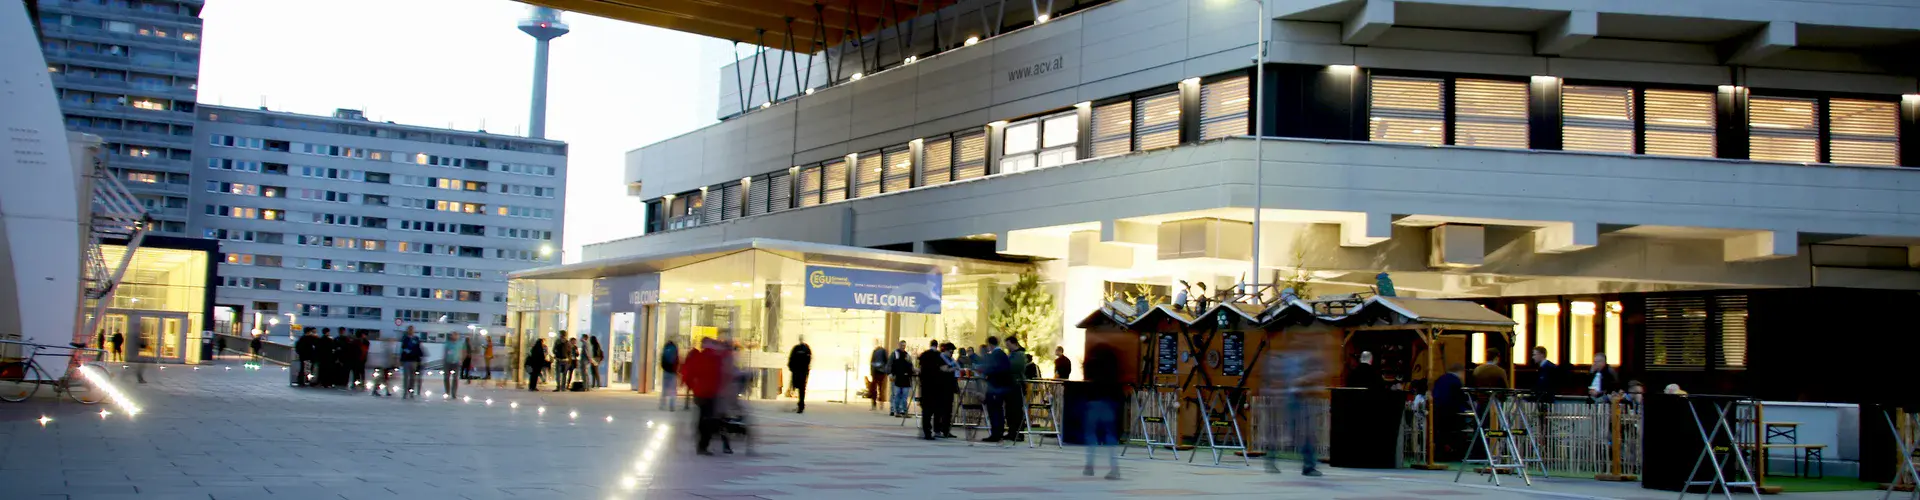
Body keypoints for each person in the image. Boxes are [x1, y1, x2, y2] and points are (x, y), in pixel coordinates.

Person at [1264, 330, 1330, 476]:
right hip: (1290, 399)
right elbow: (1288, 381)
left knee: (1304, 433)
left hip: (1300, 399)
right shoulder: (1288, 360)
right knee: (1293, 432)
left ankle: (1307, 465)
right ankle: (1275, 460)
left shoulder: (1303, 359)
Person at [1081, 344, 1124, 479]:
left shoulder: (1092, 362)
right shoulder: (1113, 364)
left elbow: (1087, 378)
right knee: (1110, 435)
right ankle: (1114, 468)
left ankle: (1089, 466)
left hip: (1095, 400)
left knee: (1091, 434)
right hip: (1110, 401)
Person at [684, 339, 731, 455]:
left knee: (703, 416)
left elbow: (688, 373)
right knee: (711, 418)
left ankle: (701, 442)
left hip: (700, 392)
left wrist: (692, 387)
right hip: (712, 393)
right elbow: (724, 375)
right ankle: (705, 444)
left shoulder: (699, 357)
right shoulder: (717, 358)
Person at [978, 336, 1013, 443]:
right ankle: (999, 432)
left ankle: (995, 433)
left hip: (995, 386)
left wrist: (984, 371)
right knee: (999, 410)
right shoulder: (1003, 355)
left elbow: (993, 369)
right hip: (1002, 387)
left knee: (994, 410)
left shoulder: (995, 355)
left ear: (990, 345)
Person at [1431, 363, 1468, 462]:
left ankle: (1439, 454)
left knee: (1440, 434)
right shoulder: (1456, 381)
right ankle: (1456, 454)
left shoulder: (1440, 379)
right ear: (1460, 372)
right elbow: (1460, 398)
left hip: (1437, 409)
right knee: (1455, 434)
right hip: (1451, 412)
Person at [917, 340, 954, 439]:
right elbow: (943, 369)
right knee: (936, 409)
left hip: (925, 386)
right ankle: (936, 430)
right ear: (937, 346)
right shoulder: (939, 357)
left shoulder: (924, 355)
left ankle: (927, 431)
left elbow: (920, 370)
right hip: (936, 386)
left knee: (927, 410)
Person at [1004, 337, 1030, 442]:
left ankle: (1018, 433)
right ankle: (1011, 431)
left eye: (1008, 344)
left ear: (1014, 344)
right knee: (1009, 410)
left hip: (1016, 384)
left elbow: (1015, 367)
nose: (1007, 347)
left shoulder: (1019, 355)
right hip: (1010, 385)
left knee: (1016, 410)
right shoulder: (1012, 354)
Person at [889, 341, 915, 417]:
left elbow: (910, 366)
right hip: (897, 378)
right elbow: (890, 364)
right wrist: (890, 374)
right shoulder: (895, 354)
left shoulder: (907, 355)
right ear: (899, 345)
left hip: (904, 378)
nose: (903, 347)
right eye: (902, 345)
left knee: (902, 396)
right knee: (896, 394)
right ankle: (894, 410)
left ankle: (901, 410)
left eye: (904, 345)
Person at [787, 337, 812, 413]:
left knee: (799, 387)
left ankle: (801, 404)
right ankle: (801, 404)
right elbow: (808, 359)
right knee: (801, 388)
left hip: (798, 371)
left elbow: (791, 359)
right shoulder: (806, 349)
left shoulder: (796, 348)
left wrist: (792, 368)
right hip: (801, 371)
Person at [398, 327, 423, 399]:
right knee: (406, 377)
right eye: (410, 330)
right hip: (406, 360)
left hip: (414, 360)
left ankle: (411, 391)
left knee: (413, 378)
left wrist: (419, 360)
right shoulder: (405, 339)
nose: (411, 331)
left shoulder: (416, 339)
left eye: (412, 330)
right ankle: (405, 392)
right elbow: (403, 349)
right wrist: (401, 359)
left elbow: (418, 349)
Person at [659, 340, 681, 411]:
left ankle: (662, 405)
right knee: (673, 390)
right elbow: (677, 361)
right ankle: (672, 406)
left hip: (666, 372)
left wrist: (665, 368)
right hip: (673, 372)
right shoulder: (675, 350)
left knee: (664, 389)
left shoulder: (666, 349)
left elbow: (662, 361)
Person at [443, 333, 465, 399]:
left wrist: (462, 360)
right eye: (453, 335)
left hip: (456, 363)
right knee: (446, 377)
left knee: (455, 378)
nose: (454, 336)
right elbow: (445, 352)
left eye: (456, 335)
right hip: (448, 362)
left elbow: (462, 352)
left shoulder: (460, 344)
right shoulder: (448, 343)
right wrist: (444, 360)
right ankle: (447, 391)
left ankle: (454, 393)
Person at [868, 340, 889, 410]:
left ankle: (876, 403)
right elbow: (886, 361)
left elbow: (872, 362)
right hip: (880, 372)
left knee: (876, 388)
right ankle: (879, 403)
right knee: (880, 388)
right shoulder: (882, 351)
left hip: (877, 372)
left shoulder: (877, 351)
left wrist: (871, 371)